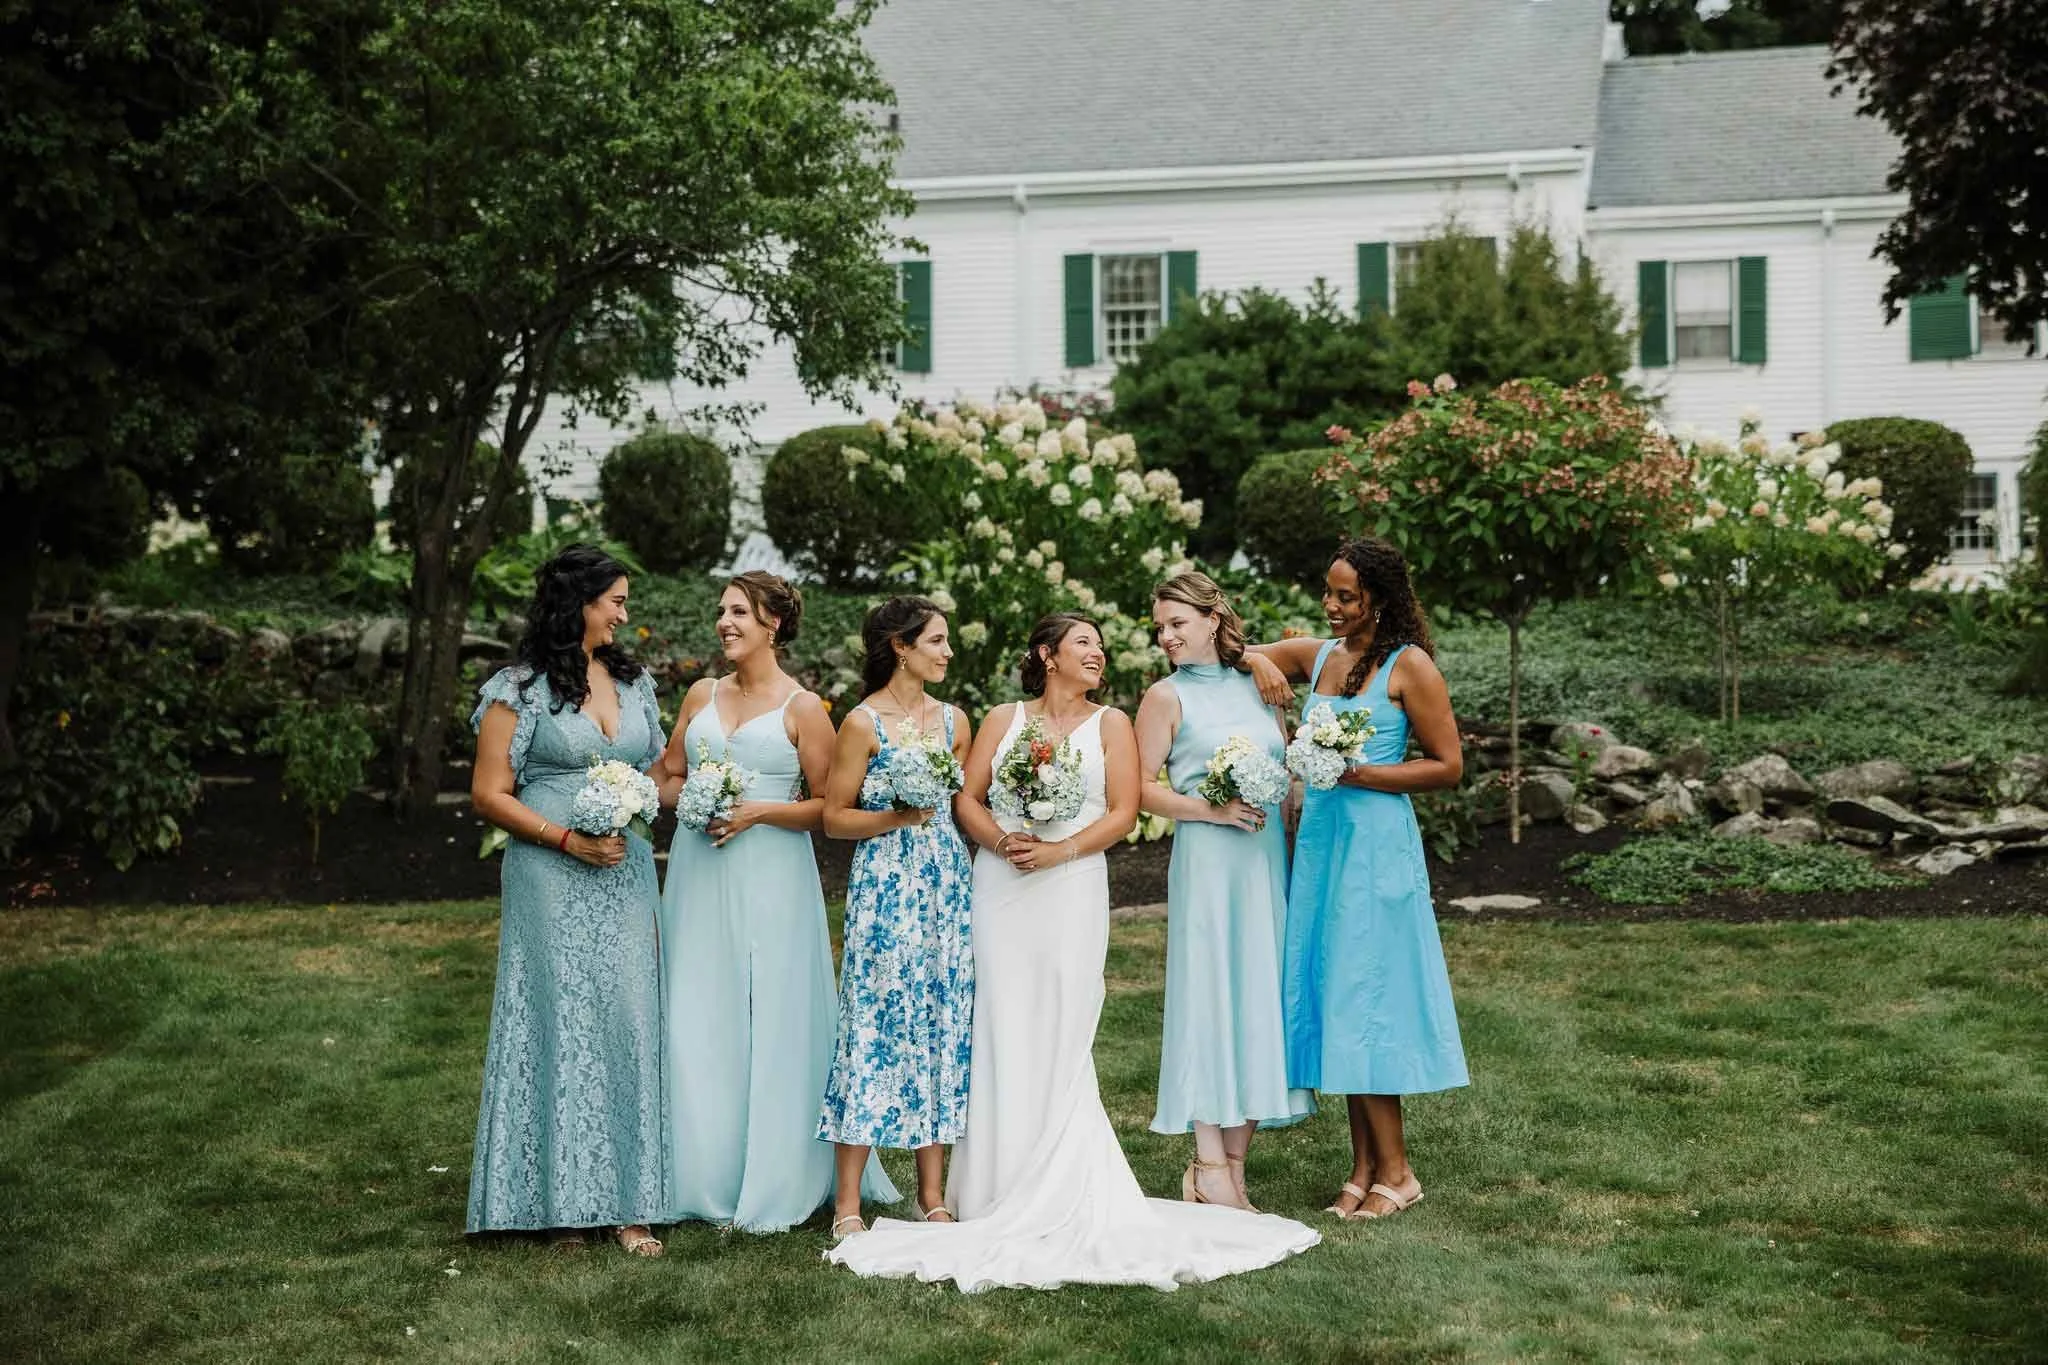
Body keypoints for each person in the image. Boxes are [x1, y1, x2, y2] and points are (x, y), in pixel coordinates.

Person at [827, 614, 1319, 1291]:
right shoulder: (1001, 718)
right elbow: (965, 799)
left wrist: (1058, 850)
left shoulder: (1112, 723)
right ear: (1047, 654)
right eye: (1084, 642)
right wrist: (1001, 841)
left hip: (1074, 887)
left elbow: (1120, 812)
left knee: (1063, 1025)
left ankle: (1062, 1179)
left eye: (1101, 644)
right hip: (1001, 887)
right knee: (997, 1021)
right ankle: (984, 1187)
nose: (1099, 652)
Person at [655, 571, 897, 1231]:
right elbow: (668, 775)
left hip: (772, 876)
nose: (724, 622)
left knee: (769, 1012)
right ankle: (695, 1170)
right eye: (721, 610)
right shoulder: (700, 694)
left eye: (739, 611)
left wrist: (757, 809)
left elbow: (828, 805)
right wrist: (695, 798)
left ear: (774, 624)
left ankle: (776, 1169)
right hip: (701, 873)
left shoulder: (803, 707)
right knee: (697, 1008)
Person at [1246, 536, 1468, 1220]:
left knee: (1366, 994)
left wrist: (1357, 771)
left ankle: (1398, 1172)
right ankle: (1363, 1167)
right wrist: (1257, 657)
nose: (1332, 606)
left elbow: (1448, 765)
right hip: (1322, 844)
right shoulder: (1320, 656)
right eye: (1328, 593)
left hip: (1374, 846)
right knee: (1336, 995)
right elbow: (1239, 647)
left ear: (1381, 597)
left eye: (1347, 595)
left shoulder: (1411, 667)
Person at [465, 544, 666, 1256]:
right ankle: (562, 1204)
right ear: (576, 603)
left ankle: (632, 1203)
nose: (623, 612)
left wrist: (723, 792)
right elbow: (488, 792)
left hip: (625, 871)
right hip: (549, 874)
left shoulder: (634, 683)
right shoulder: (515, 689)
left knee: (630, 1017)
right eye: (614, 599)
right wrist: (564, 838)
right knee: (560, 1020)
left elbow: (657, 770)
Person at [1134, 572, 1314, 1212]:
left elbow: (1328, 652)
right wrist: (1209, 810)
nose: (1166, 637)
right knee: (1211, 996)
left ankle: (1233, 1168)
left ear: (1213, 619)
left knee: (1260, 996)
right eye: (1160, 627)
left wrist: (1259, 657)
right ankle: (1208, 1163)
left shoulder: (1261, 685)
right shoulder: (1164, 696)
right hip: (1209, 861)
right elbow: (1139, 788)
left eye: (1177, 623)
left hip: (1266, 862)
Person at [818, 596, 975, 1237]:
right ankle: (847, 1203)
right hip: (886, 883)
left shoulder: (954, 721)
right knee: (875, 1026)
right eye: (936, 641)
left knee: (938, 1023)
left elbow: (964, 804)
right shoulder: (861, 723)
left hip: (946, 882)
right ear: (901, 647)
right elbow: (834, 817)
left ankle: (931, 1193)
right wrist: (895, 817)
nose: (947, 652)